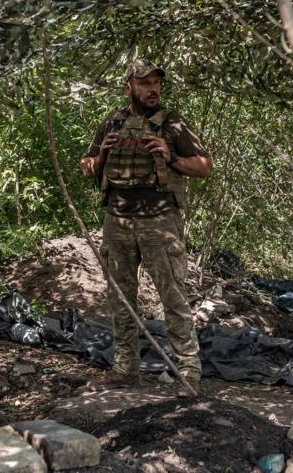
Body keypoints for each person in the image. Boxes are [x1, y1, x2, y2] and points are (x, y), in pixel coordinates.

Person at [79, 58, 212, 397]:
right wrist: (102, 156)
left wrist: (170, 156)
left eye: (156, 83)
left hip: (159, 221)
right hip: (117, 220)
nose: (153, 89)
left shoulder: (173, 123)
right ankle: (125, 368)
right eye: (145, 83)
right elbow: (87, 166)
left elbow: (204, 166)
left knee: (173, 297)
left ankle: (188, 371)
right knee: (120, 297)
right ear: (129, 87)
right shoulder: (112, 121)